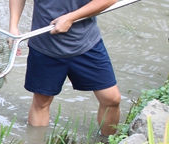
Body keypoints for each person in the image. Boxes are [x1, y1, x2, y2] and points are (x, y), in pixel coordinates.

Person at [10, 0, 121, 135]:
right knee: (41, 103)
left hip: (87, 44)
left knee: (111, 99)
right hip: (45, 47)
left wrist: (72, 17)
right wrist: (13, 26)